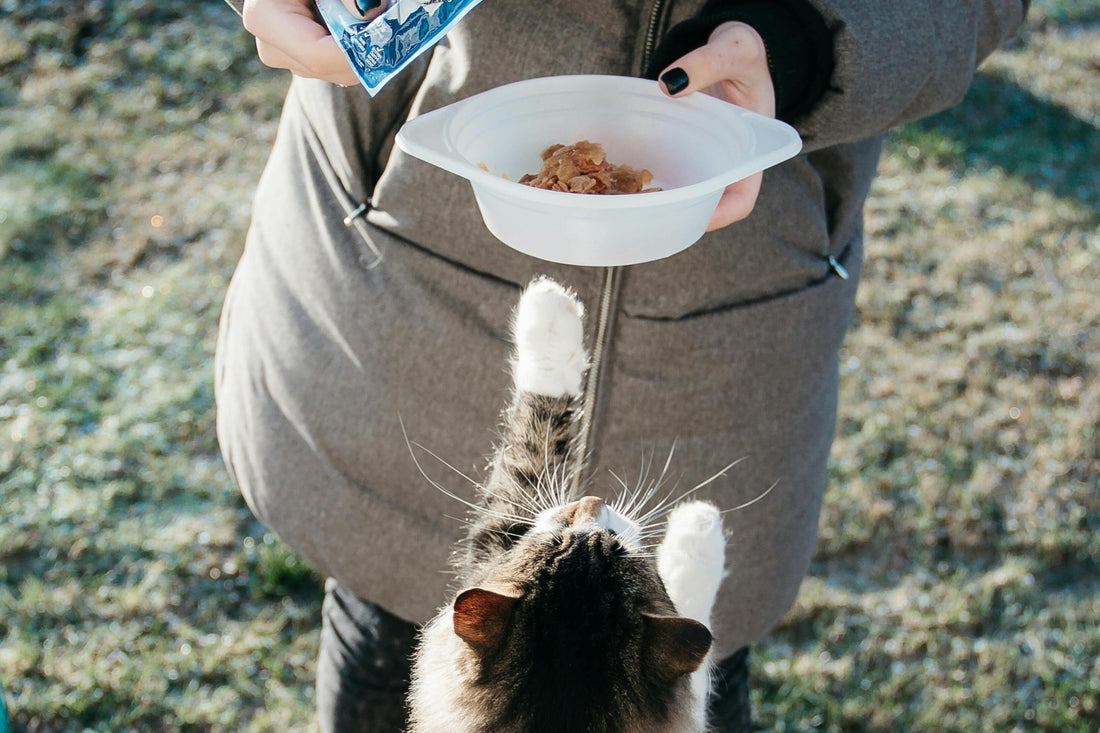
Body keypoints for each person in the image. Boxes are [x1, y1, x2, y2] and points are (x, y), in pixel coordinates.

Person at [216, 0, 1029, 729]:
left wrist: (808, 43)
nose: (595, 500)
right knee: (399, 623)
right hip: (402, 278)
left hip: (739, 326)